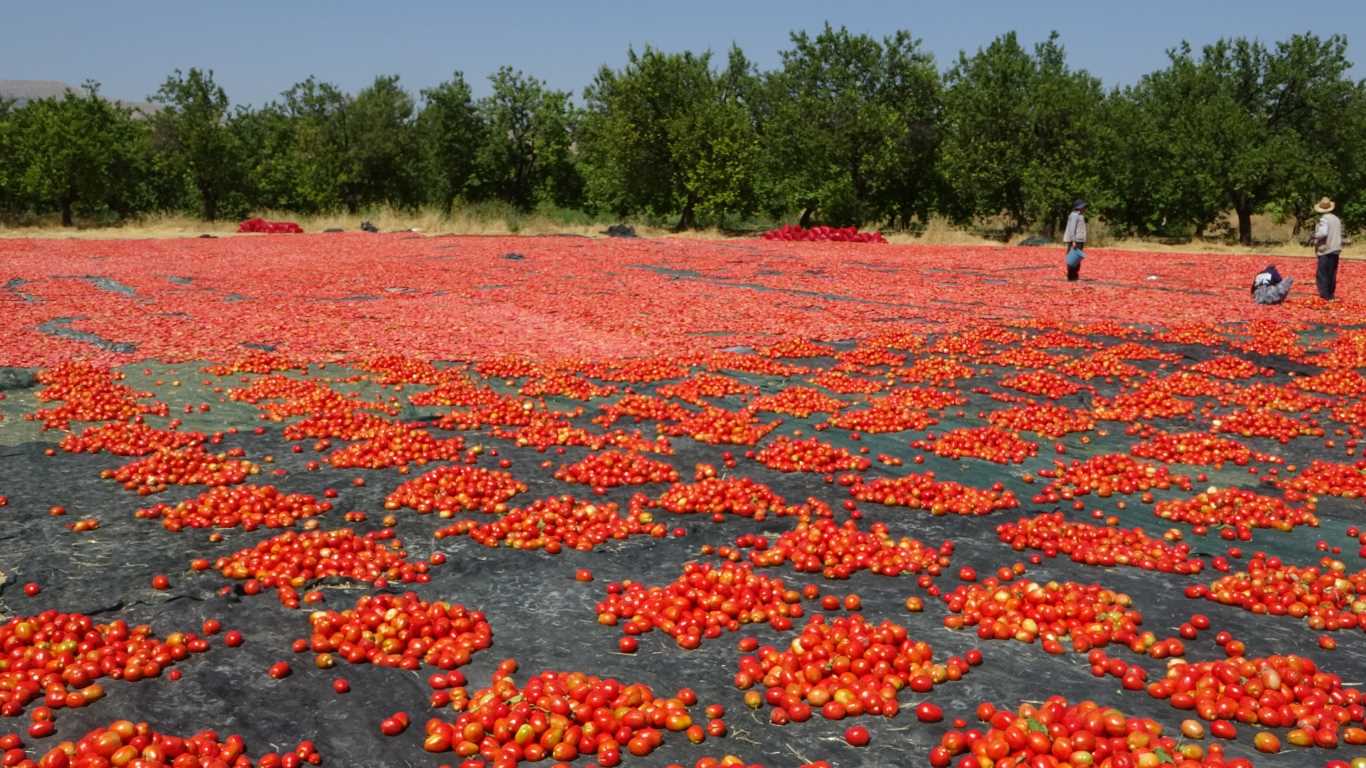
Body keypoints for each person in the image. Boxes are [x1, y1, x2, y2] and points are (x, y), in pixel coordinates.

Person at [1311, 197, 1343, 300]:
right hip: (1336, 249)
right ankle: (1331, 294)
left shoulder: (1324, 219)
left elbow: (1323, 233)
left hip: (1326, 249)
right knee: (1332, 273)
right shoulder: (1336, 219)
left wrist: (1314, 235)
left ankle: (1325, 295)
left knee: (1322, 273)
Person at [1063, 200, 1087, 281]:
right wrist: (1073, 241)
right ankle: (1071, 277)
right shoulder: (1074, 215)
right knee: (1073, 259)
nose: (1085, 208)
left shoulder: (1080, 215)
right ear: (1079, 207)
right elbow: (1072, 229)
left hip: (1079, 240)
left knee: (1077, 259)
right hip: (1076, 240)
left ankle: (1074, 276)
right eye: (1083, 206)